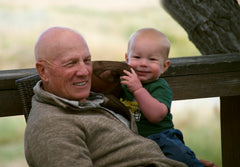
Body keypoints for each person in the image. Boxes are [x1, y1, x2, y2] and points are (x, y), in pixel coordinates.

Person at [24, 26, 187, 167]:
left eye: (87, 60)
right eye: (71, 63)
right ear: (43, 71)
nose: (85, 71)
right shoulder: (53, 128)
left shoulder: (81, 97)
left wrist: (185, 158)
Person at [120, 28, 217, 167]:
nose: (143, 64)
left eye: (152, 59)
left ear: (165, 66)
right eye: (137, 57)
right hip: (134, 140)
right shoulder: (123, 82)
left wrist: (138, 89)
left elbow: (155, 115)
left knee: (178, 157)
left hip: (161, 137)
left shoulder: (159, 87)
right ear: (126, 59)